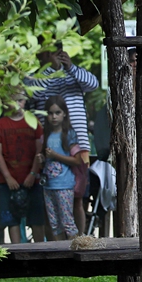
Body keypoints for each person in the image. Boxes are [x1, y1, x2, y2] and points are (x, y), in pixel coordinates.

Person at [28, 45, 99, 234]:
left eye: (56, 52)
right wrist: (51, 70)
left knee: (77, 196)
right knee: (51, 196)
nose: (53, 56)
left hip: (79, 145)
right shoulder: (37, 78)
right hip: (51, 145)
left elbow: (93, 84)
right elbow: (32, 93)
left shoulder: (73, 73)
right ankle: (55, 243)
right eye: (49, 53)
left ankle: (80, 238)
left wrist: (70, 68)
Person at [0, 90, 44, 244]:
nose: (18, 104)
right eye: (14, 100)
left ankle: (41, 252)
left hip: (31, 179)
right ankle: (17, 251)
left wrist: (33, 173)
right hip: (8, 181)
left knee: (36, 218)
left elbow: (39, 149)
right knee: (11, 220)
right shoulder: (1, 124)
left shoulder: (33, 122)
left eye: (20, 100)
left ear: (25, 101)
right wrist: (7, 177)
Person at [39, 96, 83, 240]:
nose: (54, 117)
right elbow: (46, 159)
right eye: (50, 113)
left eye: (57, 113)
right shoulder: (45, 134)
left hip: (64, 185)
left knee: (67, 222)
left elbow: (77, 160)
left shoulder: (69, 133)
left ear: (64, 113)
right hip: (48, 185)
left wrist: (55, 155)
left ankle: (74, 251)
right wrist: (42, 159)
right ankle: (60, 254)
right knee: (54, 224)